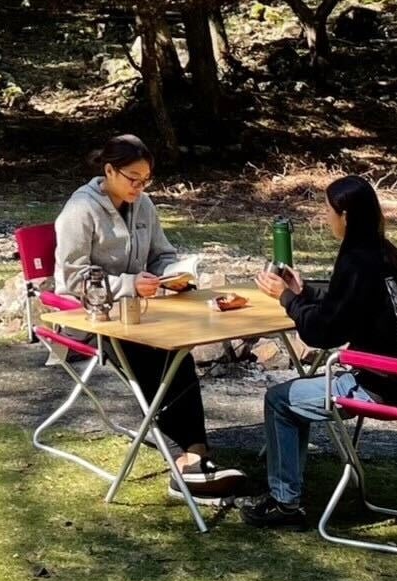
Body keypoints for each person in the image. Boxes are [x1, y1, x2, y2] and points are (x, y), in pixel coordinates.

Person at [52, 133, 251, 499]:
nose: (139, 187)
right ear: (109, 171)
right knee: (149, 355)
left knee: (179, 353)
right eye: (133, 178)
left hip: (138, 310)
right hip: (90, 316)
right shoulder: (80, 210)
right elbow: (74, 279)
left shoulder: (143, 204)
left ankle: (196, 453)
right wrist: (128, 284)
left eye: (146, 180)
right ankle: (184, 464)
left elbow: (162, 255)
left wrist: (175, 275)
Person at [242, 174, 397, 528]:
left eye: (328, 210)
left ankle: (285, 504)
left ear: (345, 215)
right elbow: (349, 304)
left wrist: (285, 298)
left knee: (280, 401)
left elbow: (323, 332)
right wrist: (304, 293)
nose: (325, 217)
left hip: (382, 383)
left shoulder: (358, 259)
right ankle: (288, 494)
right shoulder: (385, 252)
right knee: (293, 398)